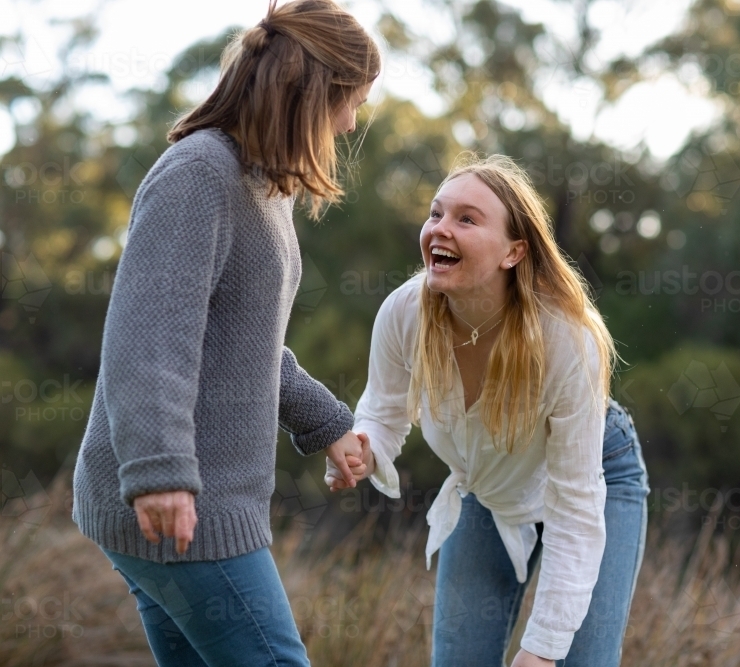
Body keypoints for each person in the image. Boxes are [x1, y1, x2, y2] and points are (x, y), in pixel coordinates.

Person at [71, 2, 380, 665]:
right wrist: (159, 471)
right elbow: (147, 335)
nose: (351, 122)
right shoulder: (201, 174)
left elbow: (244, 343)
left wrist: (324, 421)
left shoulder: (261, 187)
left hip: (192, 502)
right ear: (313, 93)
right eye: (352, 102)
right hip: (180, 504)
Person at [326, 154, 650, 666]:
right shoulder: (405, 312)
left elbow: (575, 508)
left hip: (594, 480)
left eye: (466, 219)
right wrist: (365, 448)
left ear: (514, 251)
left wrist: (542, 648)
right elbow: (384, 411)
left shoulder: (565, 338)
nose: (440, 230)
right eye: (436, 214)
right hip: (486, 486)